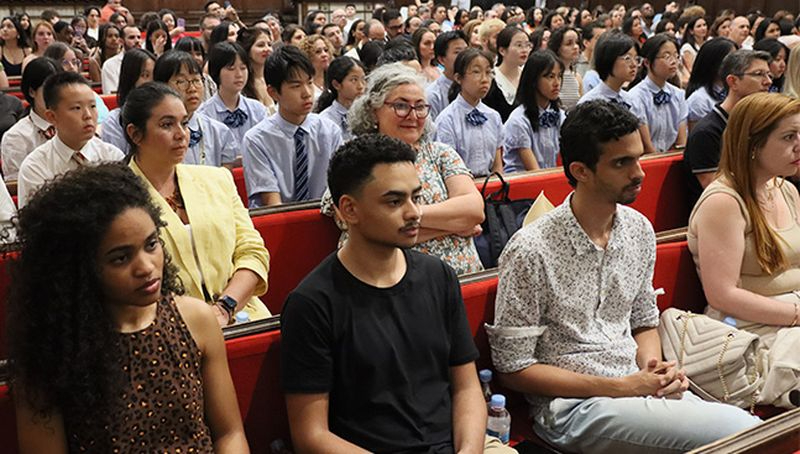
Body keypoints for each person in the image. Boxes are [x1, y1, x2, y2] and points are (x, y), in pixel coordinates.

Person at [486, 99, 762, 454]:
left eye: (637, 157)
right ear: (581, 171)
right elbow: (513, 368)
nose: (639, 172)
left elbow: (643, 321)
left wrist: (652, 369)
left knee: (750, 433)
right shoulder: (531, 249)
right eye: (622, 163)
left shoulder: (638, 229)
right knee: (743, 432)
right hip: (572, 407)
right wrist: (624, 387)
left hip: (634, 386)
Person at [282, 134, 512, 453]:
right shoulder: (313, 303)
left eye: (416, 197)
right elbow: (311, 435)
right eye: (394, 202)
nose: (414, 212)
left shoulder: (438, 276)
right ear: (349, 209)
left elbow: (465, 387)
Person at [8, 162, 249, 452]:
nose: (147, 268)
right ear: (79, 270)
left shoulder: (195, 318)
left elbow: (229, 434)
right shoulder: (50, 353)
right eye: (120, 258)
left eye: (151, 244)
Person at [121, 82, 271, 323]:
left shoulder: (217, 179)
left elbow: (252, 251)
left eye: (185, 123)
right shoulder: (118, 198)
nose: (182, 134)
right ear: (135, 134)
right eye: (167, 125)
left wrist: (226, 306)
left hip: (241, 314)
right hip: (166, 327)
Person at [689, 92, 800, 408]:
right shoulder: (723, 201)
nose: (799, 145)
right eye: (789, 137)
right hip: (748, 327)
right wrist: (795, 315)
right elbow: (722, 295)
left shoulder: (785, 189)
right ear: (754, 145)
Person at [322, 63, 484, 275]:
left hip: (463, 278)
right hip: (388, 282)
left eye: (420, 107)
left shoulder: (440, 153)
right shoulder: (356, 158)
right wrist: (452, 225)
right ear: (373, 111)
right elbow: (356, 224)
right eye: (401, 106)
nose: (413, 115)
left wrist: (399, 221)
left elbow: (473, 210)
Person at [243, 46, 343, 207]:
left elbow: (341, 188)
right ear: (273, 92)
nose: (307, 93)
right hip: (280, 223)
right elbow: (271, 203)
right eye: (296, 86)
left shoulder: (330, 131)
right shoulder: (257, 139)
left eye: (309, 83)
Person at [18, 72, 124, 207]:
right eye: (77, 108)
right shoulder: (35, 167)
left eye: (92, 106)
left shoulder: (112, 156)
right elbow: (34, 224)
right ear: (52, 117)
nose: (88, 115)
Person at [685, 50, 772, 207]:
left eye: (769, 75)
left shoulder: (758, 124)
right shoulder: (707, 132)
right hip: (721, 213)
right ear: (733, 81)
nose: (768, 81)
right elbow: (716, 190)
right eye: (759, 74)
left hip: (758, 203)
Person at [154, 50, 238, 167]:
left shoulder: (219, 132)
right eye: (181, 81)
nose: (192, 88)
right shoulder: (152, 133)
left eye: (196, 80)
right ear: (161, 86)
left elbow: (225, 181)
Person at [578, 32, 657, 154]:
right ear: (608, 60)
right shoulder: (589, 102)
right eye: (627, 58)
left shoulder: (632, 99)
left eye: (636, 59)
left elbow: (646, 145)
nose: (634, 64)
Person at [434, 48, 503, 177]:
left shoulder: (494, 116)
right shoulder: (447, 120)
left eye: (488, 72)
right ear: (458, 78)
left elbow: (497, 164)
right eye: (476, 72)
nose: (485, 79)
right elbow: (447, 168)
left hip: (492, 187)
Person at [503, 49, 565, 172]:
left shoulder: (560, 116)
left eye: (559, 76)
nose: (557, 83)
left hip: (548, 178)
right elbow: (534, 171)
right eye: (550, 76)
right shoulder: (519, 120)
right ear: (533, 80)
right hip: (523, 183)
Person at [198, 41, 267, 148]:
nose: (239, 75)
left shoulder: (257, 110)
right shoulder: (204, 114)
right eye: (231, 69)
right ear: (216, 72)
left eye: (243, 68)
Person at [1, 57, 60, 181]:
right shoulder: (16, 137)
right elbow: (16, 185)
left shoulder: (72, 124)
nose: (55, 97)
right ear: (32, 92)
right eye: (48, 90)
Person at [629, 33, 687, 152]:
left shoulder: (678, 95)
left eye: (676, 56)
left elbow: (681, 142)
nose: (674, 61)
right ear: (647, 62)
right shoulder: (635, 96)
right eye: (667, 57)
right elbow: (646, 147)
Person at [100, 48, 156, 155]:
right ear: (131, 78)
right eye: (145, 75)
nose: (152, 82)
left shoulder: (166, 114)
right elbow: (117, 165)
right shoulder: (114, 121)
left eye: (155, 76)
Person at [44, 42, 111, 124]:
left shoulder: (90, 94)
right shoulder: (47, 99)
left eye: (74, 62)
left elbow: (105, 122)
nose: (72, 67)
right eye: (65, 63)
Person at [685, 37, 738, 130]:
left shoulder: (736, 90)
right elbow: (699, 136)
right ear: (714, 62)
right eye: (730, 59)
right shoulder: (700, 100)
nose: (737, 64)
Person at [483, 26, 528, 123]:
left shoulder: (528, 76)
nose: (524, 50)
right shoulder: (491, 78)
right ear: (502, 50)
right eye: (519, 45)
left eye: (527, 45)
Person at [316, 56, 366, 142]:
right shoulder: (324, 121)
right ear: (336, 85)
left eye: (363, 79)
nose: (361, 86)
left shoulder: (368, 114)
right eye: (354, 80)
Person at [238, 27, 276, 115]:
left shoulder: (276, 79)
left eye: (269, 45)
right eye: (261, 45)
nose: (267, 49)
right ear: (248, 49)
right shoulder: (240, 82)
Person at [548, 26, 583, 110]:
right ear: (558, 47)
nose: (575, 47)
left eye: (577, 42)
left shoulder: (577, 77)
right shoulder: (548, 75)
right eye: (569, 43)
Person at [174, 36, 217, 102]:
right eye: (189, 54)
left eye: (198, 54)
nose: (195, 58)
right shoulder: (175, 80)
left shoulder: (208, 80)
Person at [102, 24, 141, 94]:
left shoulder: (147, 62)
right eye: (132, 37)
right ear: (121, 41)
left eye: (139, 37)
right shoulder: (110, 65)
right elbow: (112, 94)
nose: (137, 41)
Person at [298, 34, 335, 104]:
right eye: (318, 52)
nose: (324, 54)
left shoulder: (334, 78)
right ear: (308, 56)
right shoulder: (303, 82)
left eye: (326, 50)